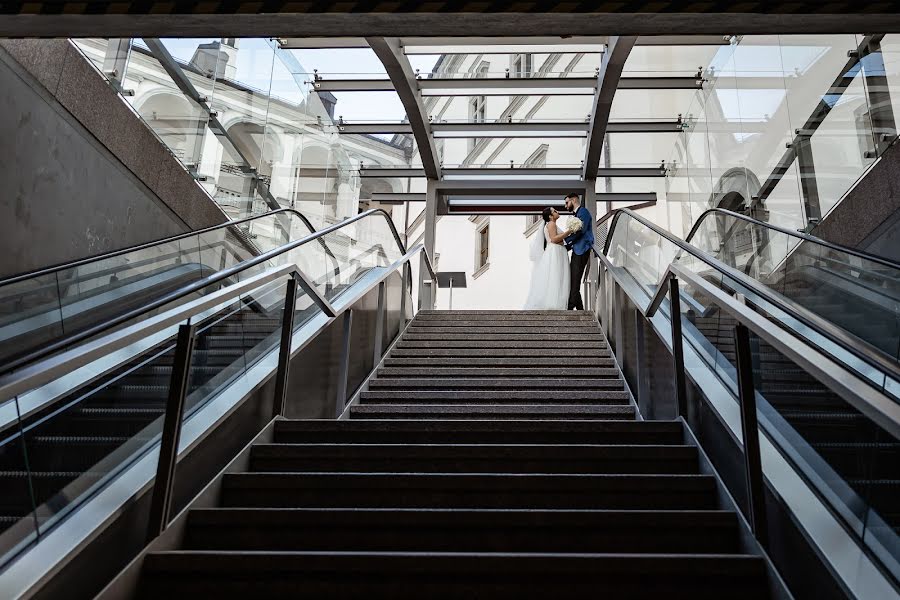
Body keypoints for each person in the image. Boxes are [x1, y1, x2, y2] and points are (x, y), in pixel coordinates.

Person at [523, 207, 572, 310]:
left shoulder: (550, 224)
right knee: (556, 276)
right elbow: (554, 239)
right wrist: (568, 232)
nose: (557, 212)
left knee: (555, 276)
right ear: (550, 216)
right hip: (555, 251)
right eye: (554, 211)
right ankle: (555, 303)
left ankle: (556, 301)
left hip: (556, 251)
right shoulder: (551, 224)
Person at [563, 192, 595, 310]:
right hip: (577, 250)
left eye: (567, 202)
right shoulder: (577, 215)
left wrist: (565, 241)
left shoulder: (584, 212)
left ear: (574, 200)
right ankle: (580, 309)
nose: (566, 206)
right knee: (574, 279)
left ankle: (570, 309)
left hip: (582, 250)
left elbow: (580, 231)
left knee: (575, 279)